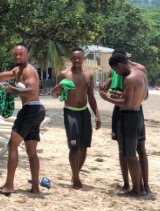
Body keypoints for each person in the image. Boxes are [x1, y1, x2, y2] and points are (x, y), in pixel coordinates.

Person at [0, 44, 46, 195]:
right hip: (35, 110)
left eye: (21, 54)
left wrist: (12, 89)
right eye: (15, 54)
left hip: (30, 110)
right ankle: (35, 187)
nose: (18, 57)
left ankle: (9, 186)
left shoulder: (28, 71)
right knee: (31, 151)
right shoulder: (17, 70)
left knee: (12, 146)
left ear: (28, 55)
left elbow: (31, 90)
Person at [100, 48, 150, 193]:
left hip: (128, 116)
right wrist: (124, 95)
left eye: (116, 70)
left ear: (120, 65)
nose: (116, 73)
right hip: (138, 114)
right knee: (135, 151)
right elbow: (144, 97)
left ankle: (137, 190)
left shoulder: (128, 78)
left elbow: (127, 104)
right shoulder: (141, 73)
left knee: (129, 154)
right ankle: (140, 187)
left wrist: (107, 98)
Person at [52, 48, 101, 189]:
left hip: (84, 112)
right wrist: (55, 91)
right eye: (74, 58)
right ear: (71, 58)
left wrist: (96, 114)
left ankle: (76, 174)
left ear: (83, 58)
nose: (77, 60)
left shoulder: (88, 76)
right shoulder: (63, 75)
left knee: (84, 146)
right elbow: (56, 95)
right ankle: (77, 179)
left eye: (79, 58)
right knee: (74, 146)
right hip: (70, 112)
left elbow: (91, 96)